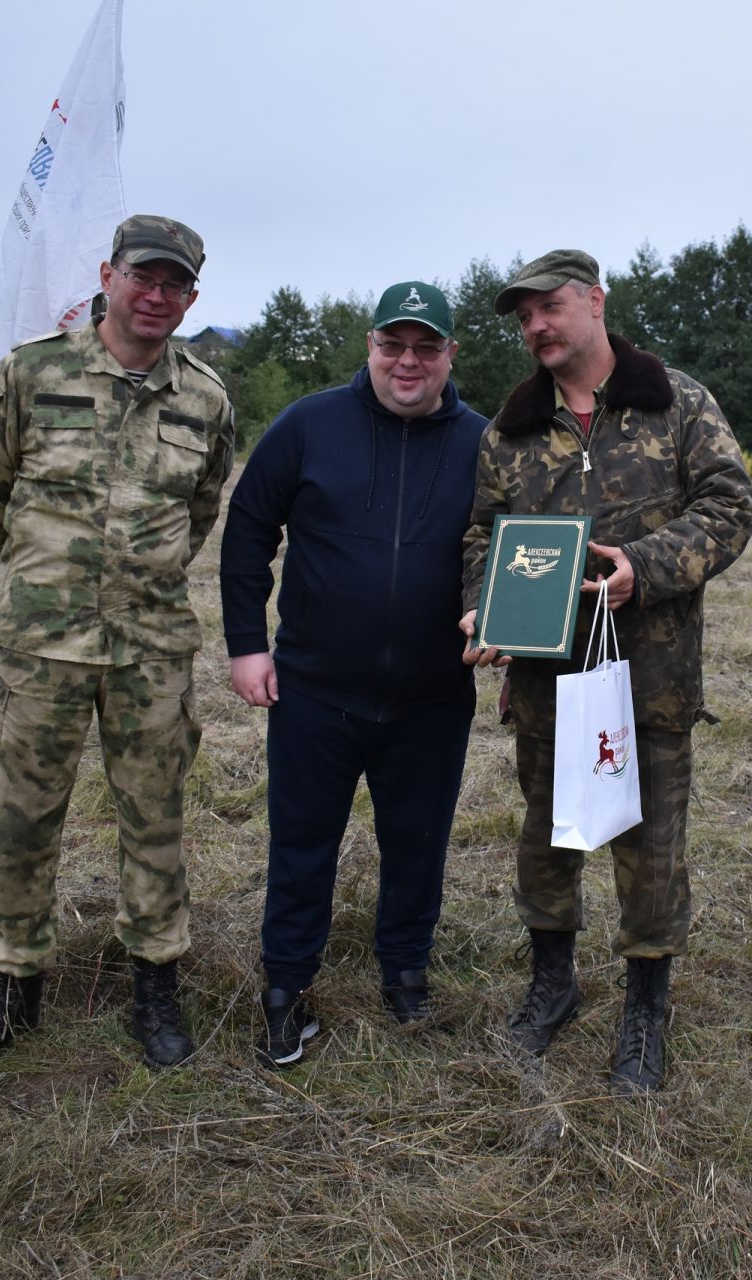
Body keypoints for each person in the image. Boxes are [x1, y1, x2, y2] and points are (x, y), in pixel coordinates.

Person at [0, 215, 235, 1073]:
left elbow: (201, 510)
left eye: (175, 284)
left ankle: (155, 986)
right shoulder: (30, 373)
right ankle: (15, 989)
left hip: (150, 650)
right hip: (38, 648)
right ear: (107, 275)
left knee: (156, 821)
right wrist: (28, 586)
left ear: (192, 298)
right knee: (22, 820)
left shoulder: (205, 398)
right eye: (143, 276)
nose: (156, 295)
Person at [460, 250, 752, 1093]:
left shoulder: (677, 403)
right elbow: (481, 537)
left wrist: (645, 568)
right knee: (548, 837)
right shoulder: (510, 431)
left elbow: (730, 506)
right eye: (522, 318)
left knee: (651, 846)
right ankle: (552, 986)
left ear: (595, 301)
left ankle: (644, 1011)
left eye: (548, 308)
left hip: (649, 675)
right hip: (548, 681)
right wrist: (483, 606)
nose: (535, 327)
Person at [220, 281, 487, 1070]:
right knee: (301, 846)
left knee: (418, 844)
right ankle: (285, 990)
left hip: (434, 696)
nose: (408, 362)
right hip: (313, 690)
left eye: (426, 347)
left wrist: (513, 645)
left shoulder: (484, 441)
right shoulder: (309, 425)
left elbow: (511, 552)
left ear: (450, 355)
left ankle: (405, 973)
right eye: (393, 345)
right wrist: (247, 644)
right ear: (369, 345)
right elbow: (247, 530)